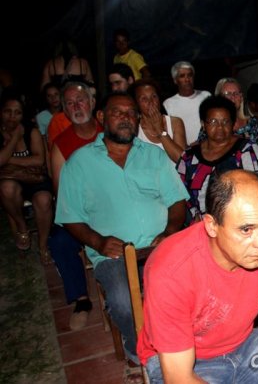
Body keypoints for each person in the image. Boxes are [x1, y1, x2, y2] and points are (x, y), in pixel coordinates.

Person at [137, 170, 258, 383]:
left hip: (245, 342)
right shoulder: (171, 272)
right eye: (246, 229)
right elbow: (179, 377)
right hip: (184, 361)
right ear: (212, 226)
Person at [55, 91, 188, 363]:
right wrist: (98, 242)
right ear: (101, 117)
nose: (126, 118)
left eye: (131, 114)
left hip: (159, 245)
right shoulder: (79, 163)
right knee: (124, 302)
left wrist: (170, 231)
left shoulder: (153, 156)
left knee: (188, 289)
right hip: (113, 253)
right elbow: (69, 216)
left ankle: (183, 343)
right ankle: (137, 348)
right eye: (118, 112)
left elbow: (177, 201)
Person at [49, 81, 102, 330]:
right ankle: (81, 299)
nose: (76, 106)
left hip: (114, 203)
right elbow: (62, 193)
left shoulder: (109, 130)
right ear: (65, 110)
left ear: (92, 102)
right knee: (59, 240)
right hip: (82, 211)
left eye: (80, 100)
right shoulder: (61, 145)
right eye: (70, 103)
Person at [177, 96, 258, 223]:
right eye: (213, 121)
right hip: (197, 223)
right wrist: (194, 217)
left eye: (225, 121)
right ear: (203, 124)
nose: (220, 127)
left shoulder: (246, 150)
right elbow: (178, 191)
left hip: (241, 220)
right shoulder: (189, 156)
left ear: (233, 124)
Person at [0, 91, 53, 261]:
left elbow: (38, 160)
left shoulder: (32, 132)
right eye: (8, 111)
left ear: (23, 115)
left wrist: (8, 160)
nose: (12, 117)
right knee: (7, 188)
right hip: (11, 180)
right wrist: (15, 138)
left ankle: (43, 245)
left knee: (44, 199)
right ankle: (22, 225)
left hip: (34, 179)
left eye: (17, 112)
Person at [130, 78, 186, 163]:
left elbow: (182, 161)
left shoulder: (175, 123)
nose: (151, 102)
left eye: (154, 96)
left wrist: (161, 130)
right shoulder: (134, 129)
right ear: (136, 104)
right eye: (144, 99)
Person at [163, 61, 211, 146]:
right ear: (175, 80)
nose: (187, 79)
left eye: (190, 75)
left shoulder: (206, 96)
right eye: (182, 76)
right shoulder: (168, 104)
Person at [215, 77, 258, 151]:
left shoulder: (251, 123)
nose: (233, 97)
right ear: (218, 97)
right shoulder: (211, 124)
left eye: (236, 93)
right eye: (228, 94)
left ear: (241, 98)